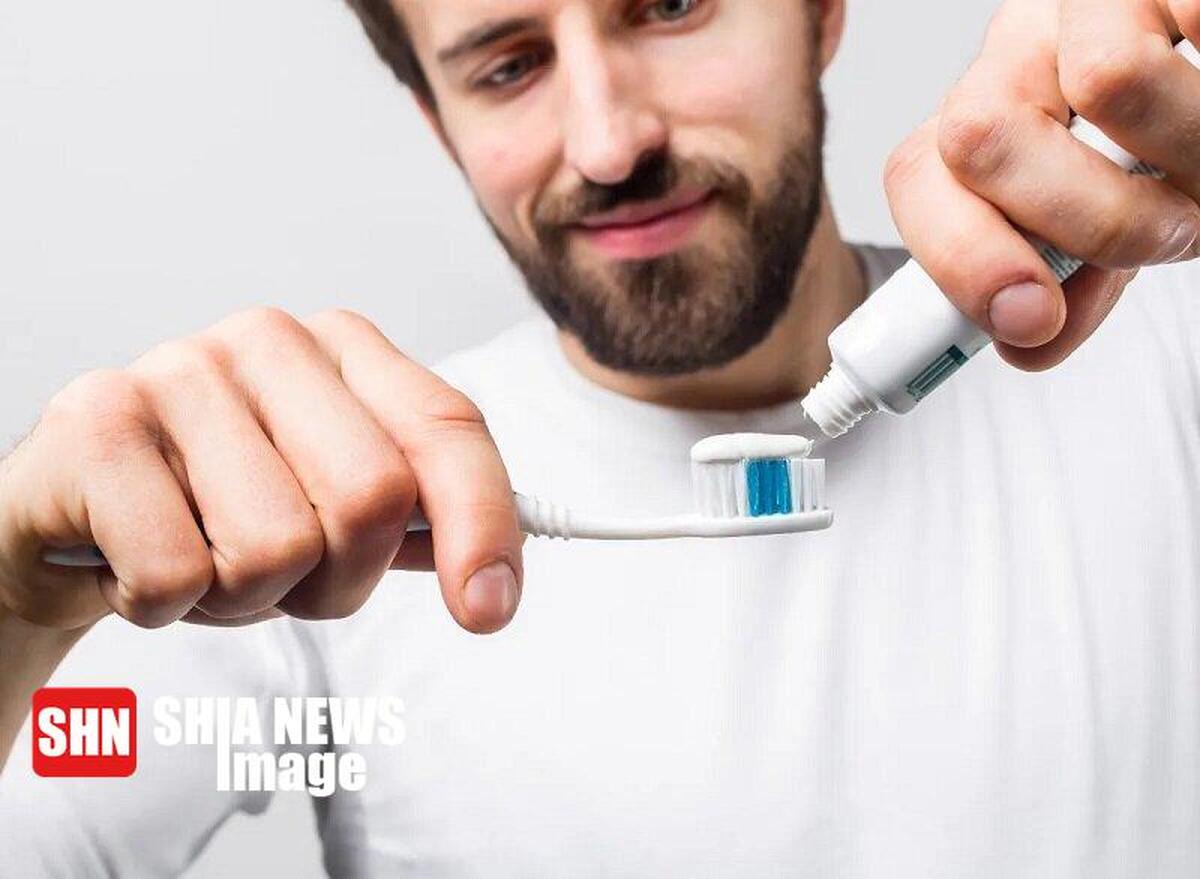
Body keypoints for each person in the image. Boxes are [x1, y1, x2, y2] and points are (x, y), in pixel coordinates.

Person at [3, 0, 1199, 874]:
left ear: (820, 14)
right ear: (440, 125)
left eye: (670, 7)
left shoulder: (1164, 332)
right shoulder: (322, 520)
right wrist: (12, 600)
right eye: (508, 66)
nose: (609, 143)